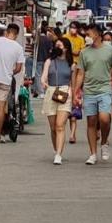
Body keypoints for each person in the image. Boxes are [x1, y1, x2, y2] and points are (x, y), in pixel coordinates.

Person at [72, 25, 112, 165]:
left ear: (97, 34)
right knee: (91, 122)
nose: (86, 37)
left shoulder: (111, 51)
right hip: (89, 91)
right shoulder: (84, 52)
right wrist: (76, 91)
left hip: (105, 89)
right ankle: (93, 153)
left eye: (88, 34)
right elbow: (80, 73)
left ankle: (104, 142)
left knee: (104, 119)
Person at [40, 36, 75, 164]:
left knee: (60, 125)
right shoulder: (49, 61)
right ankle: (56, 150)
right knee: (53, 127)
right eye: (56, 46)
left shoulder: (71, 64)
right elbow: (43, 77)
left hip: (65, 93)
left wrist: (74, 94)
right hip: (51, 92)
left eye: (60, 46)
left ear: (66, 48)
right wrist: (44, 83)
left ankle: (59, 154)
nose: (58, 48)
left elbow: (73, 82)